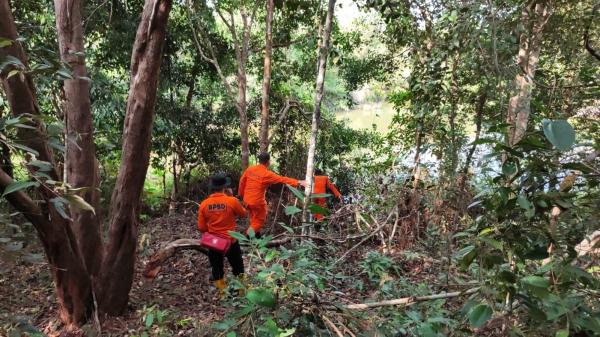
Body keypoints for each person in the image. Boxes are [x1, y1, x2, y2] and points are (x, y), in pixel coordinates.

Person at [197, 173, 248, 296]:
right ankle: (242, 292)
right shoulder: (232, 201)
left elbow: (201, 227)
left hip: (214, 243)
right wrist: (231, 197)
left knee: (217, 268)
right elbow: (243, 214)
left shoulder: (204, 204)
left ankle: (223, 294)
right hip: (231, 242)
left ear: (212, 187)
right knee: (238, 267)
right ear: (225, 187)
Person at [238, 152, 305, 236]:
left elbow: (241, 182)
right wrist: (299, 182)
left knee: (254, 219)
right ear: (268, 162)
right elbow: (282, 179)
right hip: (257, 203)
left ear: (259, 161)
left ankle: (256, 236)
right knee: (259, 220)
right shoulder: (267, 174)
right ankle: (248, 237)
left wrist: (241, 194)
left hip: (247, 200)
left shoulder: (250, 169)